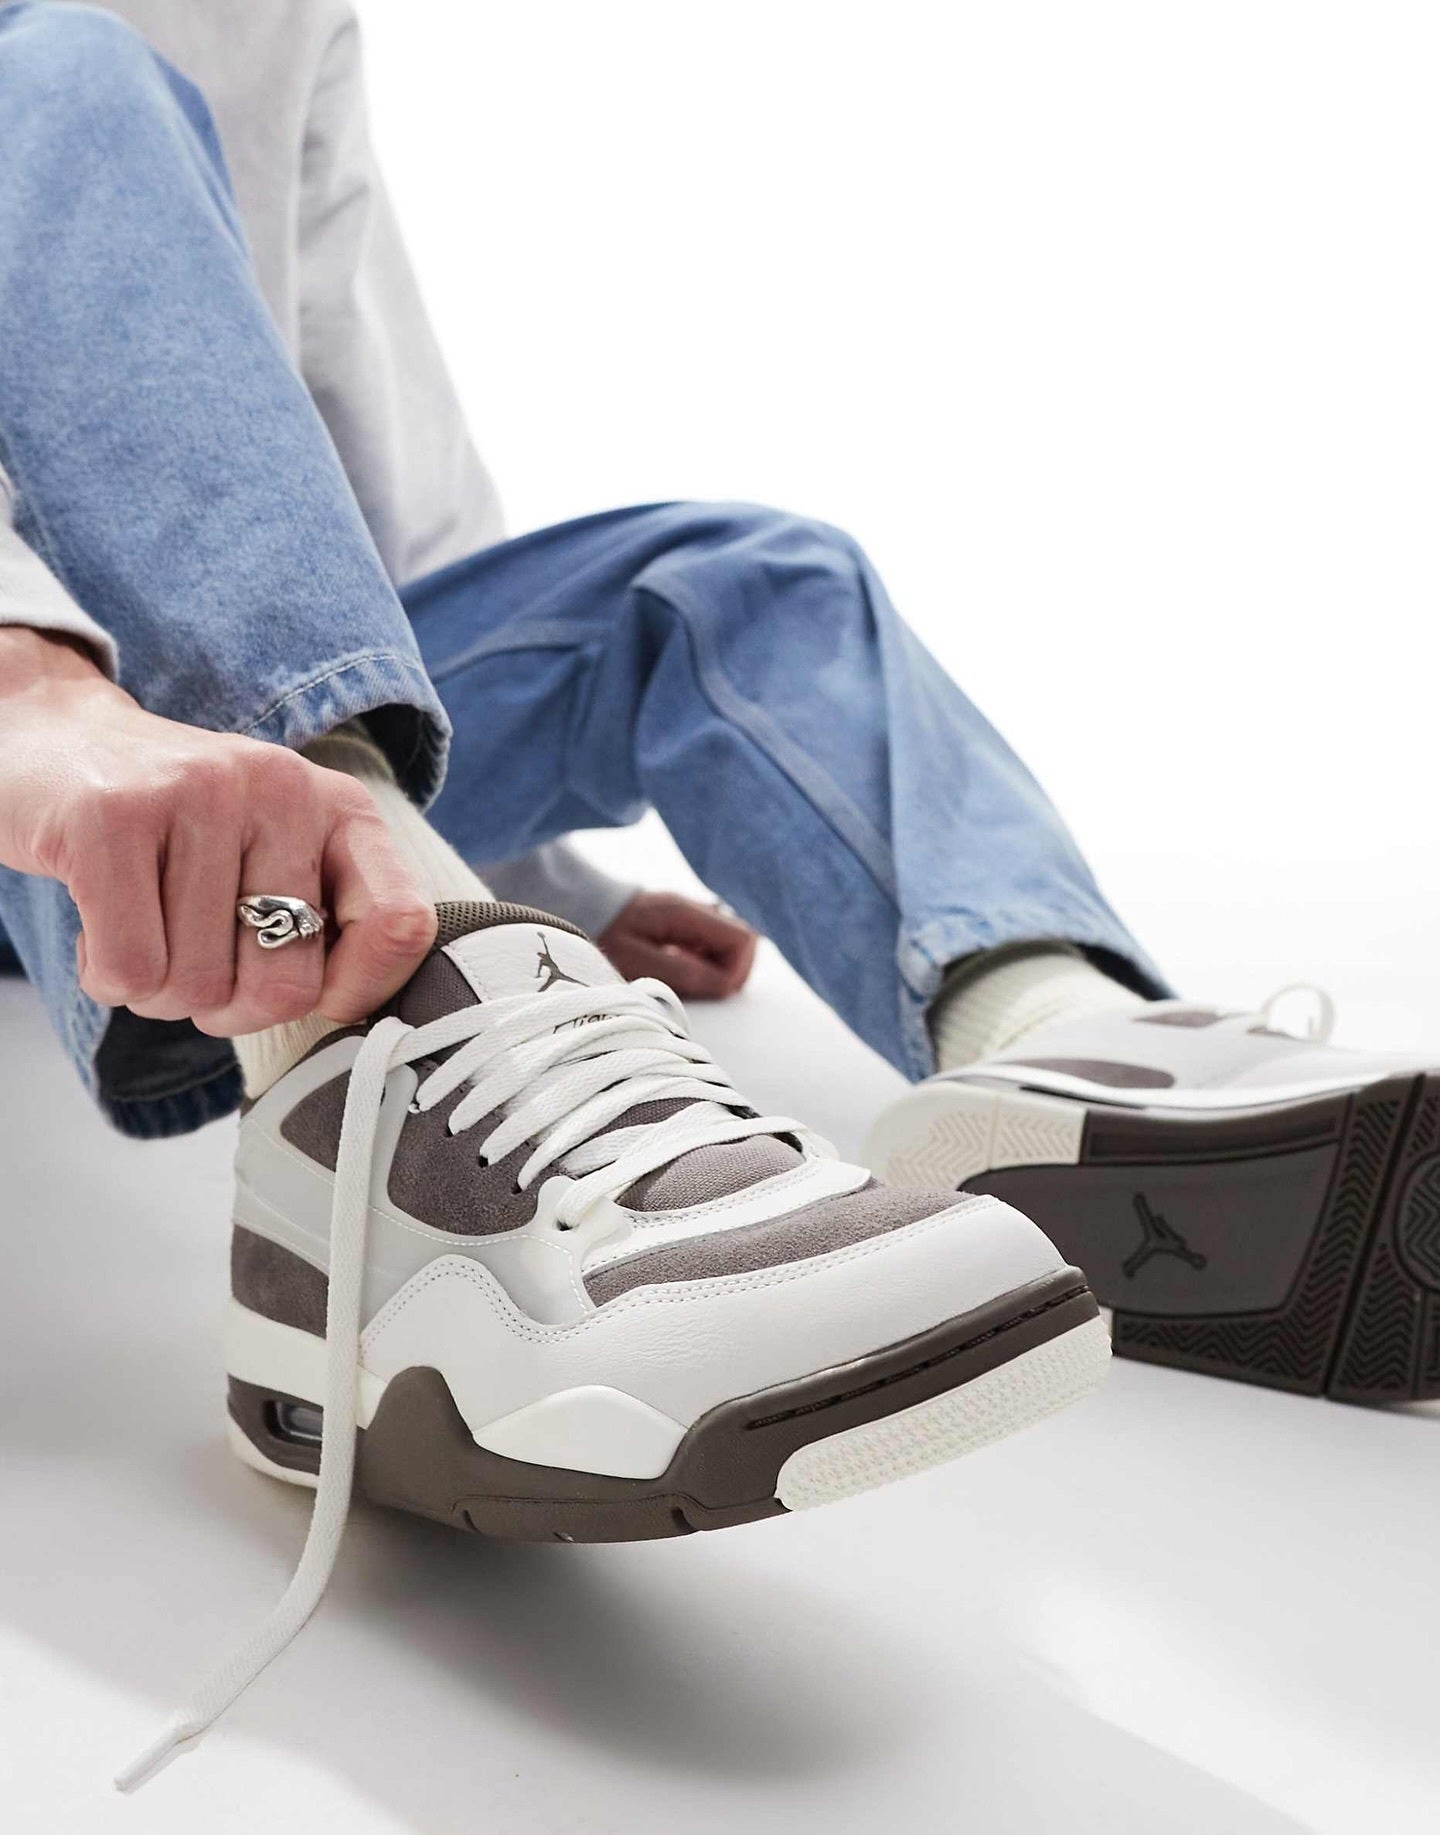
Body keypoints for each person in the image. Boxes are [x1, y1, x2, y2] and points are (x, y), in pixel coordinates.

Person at [1, 0, 1436, 1783]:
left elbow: (352, 429)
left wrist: (517, 861)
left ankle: (1061, 1037)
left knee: (736, 580)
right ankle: (367, 1105)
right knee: (52, 64)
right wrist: (33, 697)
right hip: (42, 756)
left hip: (211, 750)